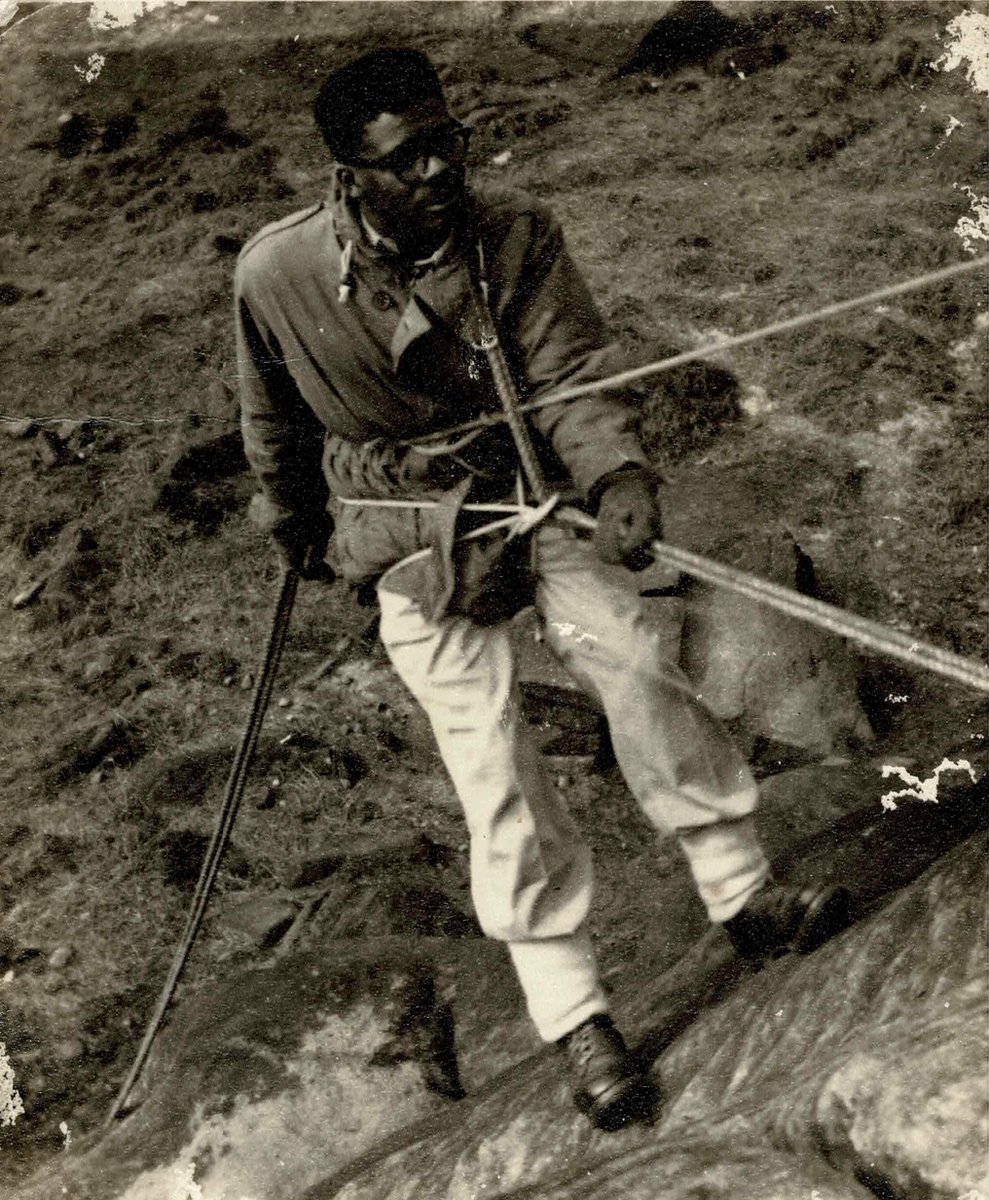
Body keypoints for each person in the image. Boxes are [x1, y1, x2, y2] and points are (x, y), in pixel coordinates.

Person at [235, 47, 850, 1131]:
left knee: (637, 656)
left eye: (446, 142)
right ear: (347, 174)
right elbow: (272, 417)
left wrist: (614, 473)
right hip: (406, 530)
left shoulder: (514, 232)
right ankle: (576, 1020)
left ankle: (744, 899)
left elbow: (569, 371)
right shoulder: (273, 275)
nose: (438, 170)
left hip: (532, 491)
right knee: (493, 768)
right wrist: (294, 528)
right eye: (405, 156)